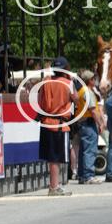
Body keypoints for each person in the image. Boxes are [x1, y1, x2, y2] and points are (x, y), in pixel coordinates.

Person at [38, 57, 75, 196]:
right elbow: (76, 99)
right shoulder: (68, 83)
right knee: (55, 158)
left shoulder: (45, 82)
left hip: (46, 122)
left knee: (51, 157)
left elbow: (39, 101)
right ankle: (54, 187)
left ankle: (54, 185)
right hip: (60, 124)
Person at [76, 70, 106, 184]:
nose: (95, 80)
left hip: (83, 123)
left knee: (83, 150)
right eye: (94, 79)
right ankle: (88, 176)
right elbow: (93, 111)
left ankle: (82, 176)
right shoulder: (87, 92)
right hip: (88, 123)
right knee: (90, 150)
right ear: (90, 80)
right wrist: (100, 123)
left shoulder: (82, 91)